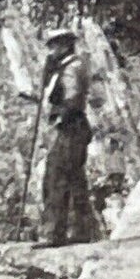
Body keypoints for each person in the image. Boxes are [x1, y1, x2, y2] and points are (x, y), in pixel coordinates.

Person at [40, 28, 97, 246]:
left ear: (64, 46)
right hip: (74, 126)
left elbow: (72, 100)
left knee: (56, 177)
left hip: (70, 126)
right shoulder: (67, 66)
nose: (51, 50)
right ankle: (80, 230)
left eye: (54, 45)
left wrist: (59, 116)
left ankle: (55, 233)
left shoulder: (72, 68)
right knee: (74, 178)